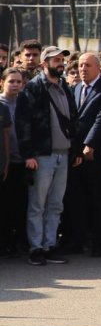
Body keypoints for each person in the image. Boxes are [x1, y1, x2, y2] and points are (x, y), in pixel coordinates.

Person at [16, 46, 81, 265]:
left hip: (63, 155)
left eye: (62, 59)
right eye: (55, 60)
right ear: (45, 63)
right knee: (38, 204)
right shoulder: (33, 88)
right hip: (41, 156)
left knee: (56, 204)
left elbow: (73, 120)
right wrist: (28, 154)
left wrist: (77, 149)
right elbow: (23, 123)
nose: (60, 63)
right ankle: (36, 248)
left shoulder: (65, 87)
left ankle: (50, 245)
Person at [61, 51, 101, 256]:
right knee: (77, 199)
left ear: (98, 68)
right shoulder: (74, 89)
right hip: (76, 153)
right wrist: (76, 148)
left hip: (96, 153)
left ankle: (99, 242)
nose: (83, 69)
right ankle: (78, 239)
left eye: (88, 65)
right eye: (81, 65)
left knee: (98, 199)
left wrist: (89, 144)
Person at [0, 68, 27, 256]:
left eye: (19, 81)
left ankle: (19, 242)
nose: (15, 84)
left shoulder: (26, 103)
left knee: (21, 204)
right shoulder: (1, 105)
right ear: (2, 82)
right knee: (5, 206)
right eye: (11, 81)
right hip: (5, 164)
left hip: (23, 161)